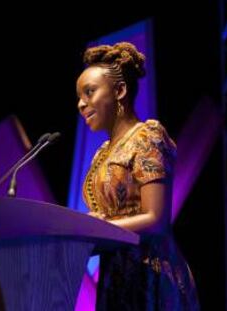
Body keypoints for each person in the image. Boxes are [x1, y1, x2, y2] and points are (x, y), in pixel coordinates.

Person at [77, 42, 200, 310]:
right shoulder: (101, 154)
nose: (80, 104)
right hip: (115, 276)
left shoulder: (148, 137)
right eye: (79, 96)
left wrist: (95, 229)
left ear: (120, 90)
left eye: (89, 92)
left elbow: (156, 221)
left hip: (151, 276)